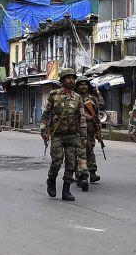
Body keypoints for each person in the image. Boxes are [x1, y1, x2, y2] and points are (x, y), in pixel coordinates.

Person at [40, 68, 87, 201]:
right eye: (68, 77)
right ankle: (51, 180)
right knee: (57, 161)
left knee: (71, 164)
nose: (71, 80)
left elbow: (82, 118)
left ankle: (66, 190)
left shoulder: (77, 98)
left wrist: (83, 136)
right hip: (57, 135)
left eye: (73, 78)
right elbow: (46, 113)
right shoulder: (54, 94)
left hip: (72, 135)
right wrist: (44, 129)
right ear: (62, 80)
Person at [76, 76, 101, 184]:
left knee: (90, 151)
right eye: (81, 84)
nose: (83, 86)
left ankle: (92, 172)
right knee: (79, 153)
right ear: (77, 86)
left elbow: (97, 114)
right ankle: (79, 175)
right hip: (76, 130)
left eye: (85, 84)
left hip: (90, 130)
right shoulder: (74, 98)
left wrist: (99, 131)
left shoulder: (93, 98)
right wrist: (84, 116)